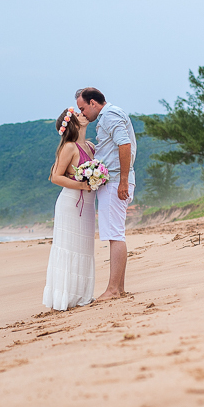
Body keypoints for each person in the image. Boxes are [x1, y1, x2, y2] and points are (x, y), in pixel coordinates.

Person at [76, 87, 136, 299]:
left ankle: (113, 289)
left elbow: (125, 144)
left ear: (93, 103)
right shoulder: (108, 116)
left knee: (114, 234)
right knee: (114, 233)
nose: (82, 113)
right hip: (114, 180)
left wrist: (123, 181)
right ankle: (118, 288)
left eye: (83, 108)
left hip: (116, 181)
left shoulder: (109, 115)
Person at [42, 107, 96, 311]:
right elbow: (56, 176)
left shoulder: (90, 146)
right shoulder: (69, 147)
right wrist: (82, 185)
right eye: (79, 115)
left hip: (88, 205)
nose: (84, 115)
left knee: (84, 248)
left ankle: (82, 295)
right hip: (71, 204)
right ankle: (65, 296)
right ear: (73, 124)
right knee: (69, 247)